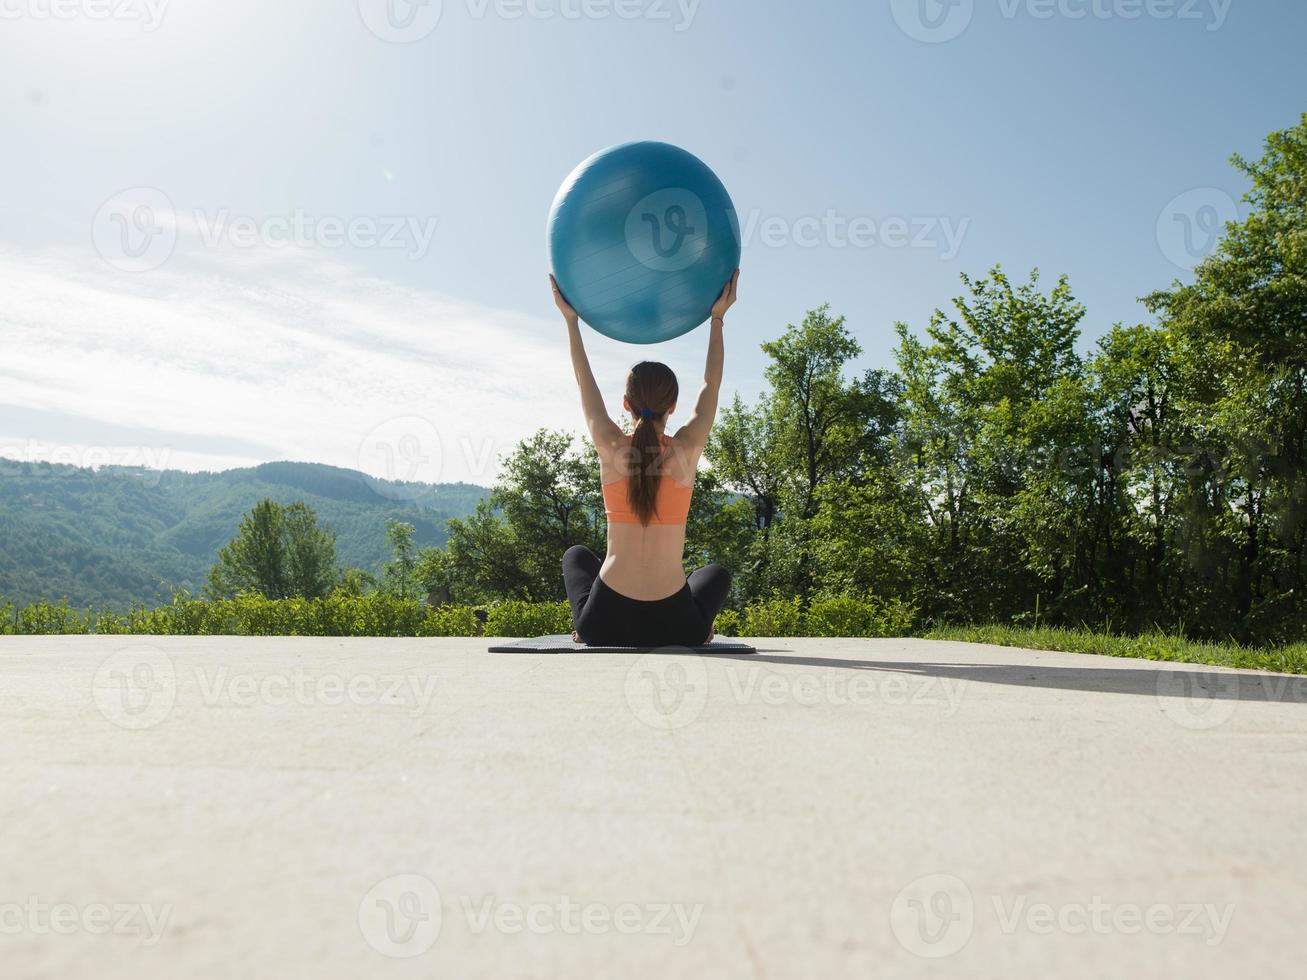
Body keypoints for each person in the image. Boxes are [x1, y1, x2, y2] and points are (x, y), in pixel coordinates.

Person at [550, 269, 740, 647]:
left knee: (576, 555)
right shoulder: (686, 451)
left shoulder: (611, 446)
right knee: (715, 573)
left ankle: (582, 626)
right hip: (676, 622)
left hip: (603, 623)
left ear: (625, 404)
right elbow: (711, 385)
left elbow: (582, 380)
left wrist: (571, 321)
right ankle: (700, 628)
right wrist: (717, 318)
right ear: (673, 406)